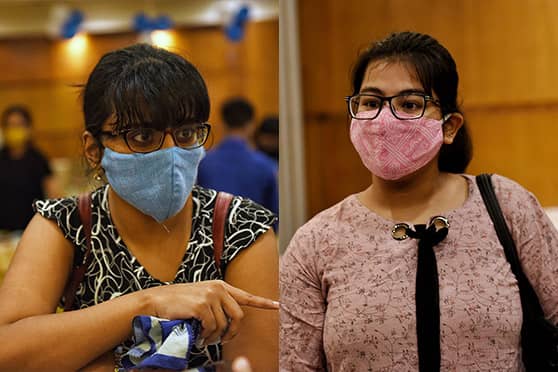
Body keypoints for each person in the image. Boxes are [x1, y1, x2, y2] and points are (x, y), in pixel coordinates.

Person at [280, 31, 558, 371]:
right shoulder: (316, 242)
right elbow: (295, 364)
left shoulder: (507, 206)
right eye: (370, 102)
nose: (385, 120)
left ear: (450, 126)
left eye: (409, 104)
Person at [0, 44, 279, 371]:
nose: (172, 152)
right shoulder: (65, 224)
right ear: (94, 149)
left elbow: (255, 364)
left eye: (187, 133)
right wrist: (148, 302)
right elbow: (8, 352)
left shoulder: (240, 227)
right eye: (143, 136)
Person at [197, 98, 278, 219]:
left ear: (223, 124)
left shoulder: (203, 163)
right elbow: (274, 216)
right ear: (251, 125)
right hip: (254, 234)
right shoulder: (267, 166)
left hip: (210, 234)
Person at [0, 105, 59, 231]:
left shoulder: (38, 160)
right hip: (3, 234)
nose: (14, 129)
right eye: (10, 125)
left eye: (19, 125)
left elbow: (54, 197)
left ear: (29, 128)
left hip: (32, 229)